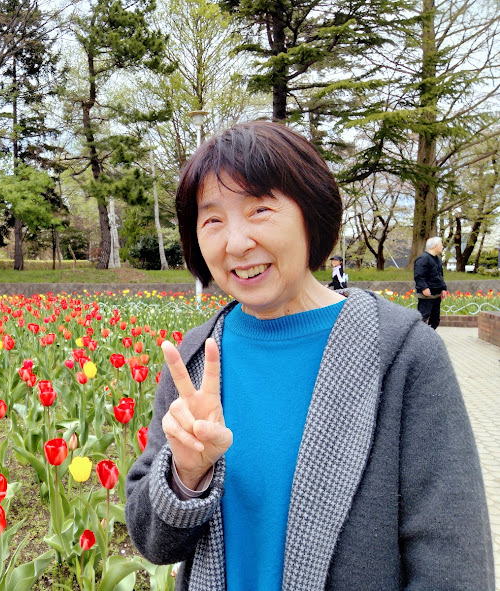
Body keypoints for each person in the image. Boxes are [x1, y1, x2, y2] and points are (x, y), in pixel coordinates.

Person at [125, 121, 493, 591]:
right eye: (212, 220)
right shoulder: (196, 358)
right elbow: (153, 543)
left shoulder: (402, 355)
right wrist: (186, 475)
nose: (236, 243)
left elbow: (453, 563)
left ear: (311, 214)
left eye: (260, 209)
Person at [414, 237, 448, 330]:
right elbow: (419, 276)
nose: (442, 247)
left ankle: (430, 336)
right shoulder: (423, 259)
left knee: (435, 320)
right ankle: (418, 336)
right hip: (426, 296)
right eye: (441, 245)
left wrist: (443, 288)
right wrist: (424, 288)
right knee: (423, 318)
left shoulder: (437, 260)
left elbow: (439, 276)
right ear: (435, 246)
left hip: (436, 295)